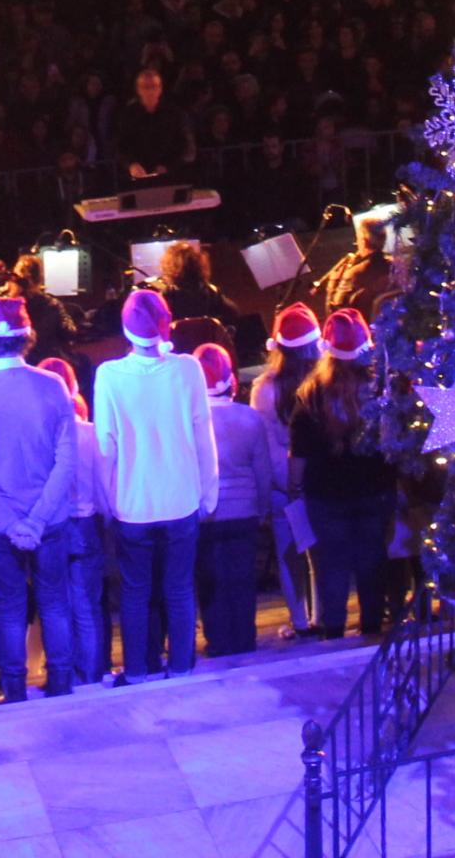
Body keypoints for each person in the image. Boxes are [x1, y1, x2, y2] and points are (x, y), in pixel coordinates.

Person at [0, 296, 81, 701]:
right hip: (50, 520)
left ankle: (14, 688)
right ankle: (61, 683)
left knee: (8, 607)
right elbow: (67, 460)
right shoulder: (53, 385)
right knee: (54, 603)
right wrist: (37, 520)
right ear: (29, 337)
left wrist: (9, 523)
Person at [92, 288, 216, 682]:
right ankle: (180, 667)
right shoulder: (187, 369)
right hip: (181, 498)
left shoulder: (109, 375)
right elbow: (204, 435)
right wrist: (208, 493)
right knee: (178, 588)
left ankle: (137, 671)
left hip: (133, 503)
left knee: (135, 592)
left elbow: (105, 446)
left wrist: (107, 500)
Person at [289, 309, 398, 638]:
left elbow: (299, 453)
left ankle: (333, 629)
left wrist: (293, 488)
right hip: (375, 488)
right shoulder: (381, 389)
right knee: (372, 558)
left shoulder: (310, 394)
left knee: (331, 564)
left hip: (325, 494)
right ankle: (371, 626)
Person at [195, 343, 283, 655]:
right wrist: (262, 509)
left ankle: (219, 642)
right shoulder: (250, 419)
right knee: (243, 580)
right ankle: (245, 639)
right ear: (230, 378)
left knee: (210, 581)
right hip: (244, 511)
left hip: (206, 514)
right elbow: (263, 471)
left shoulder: (192, 421)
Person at [37, 357, 110, 685]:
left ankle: (61, 677)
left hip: (49, 524)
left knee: (55, 605)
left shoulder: (39, 434)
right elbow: (104, 483)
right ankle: (92, 675)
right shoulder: (91, 434)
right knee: (86, 605)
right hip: (86, 522)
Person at [252, 304, 322, 633]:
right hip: (320, 479)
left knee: (288, 554)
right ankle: (323, 617)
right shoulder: (324, 382)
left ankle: (299, 621)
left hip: (283, 485)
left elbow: (264, 446)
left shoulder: (264, 389)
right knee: (320, 554)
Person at [115, 67, 192, 187]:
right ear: (138, 90)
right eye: (146, 87)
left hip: (169, 177)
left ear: (160, 89)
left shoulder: (173, 114)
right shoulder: (128, 115)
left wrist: (167, 165)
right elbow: (119, 145)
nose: (150, 91)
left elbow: (183, 145)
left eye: (154, 87)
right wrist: (131, 164)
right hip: (137, 179)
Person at [317, 216, 402, 321]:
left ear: (363, 241)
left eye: (357, 239)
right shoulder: (396, 265)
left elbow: (335, 315)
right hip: (391, 324)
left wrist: (332, 283)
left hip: (362, 327)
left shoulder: (355, 273)